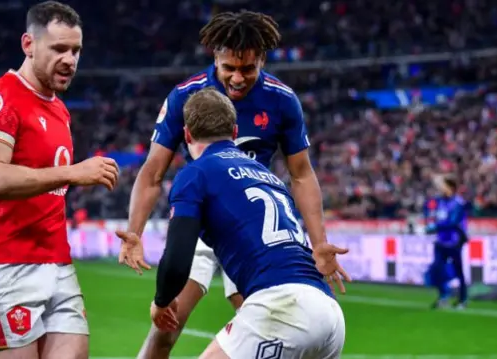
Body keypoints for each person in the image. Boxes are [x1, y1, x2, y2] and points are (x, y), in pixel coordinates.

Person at [116, 11, 348, 358]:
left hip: (249, 225)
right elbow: (152, 172)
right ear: (215, 58)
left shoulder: (282, 100)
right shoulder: (186, 96)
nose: (238, 78)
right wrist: (134, 231)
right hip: (202, 216)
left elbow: (301, 174)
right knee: (167, 323)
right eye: (229, 69)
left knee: (261, 317)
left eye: (248, 69)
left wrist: (319, 243)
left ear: (262, 61)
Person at [0, 2, 120, 358]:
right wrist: (73, 172)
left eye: (76, 50)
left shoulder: (58, 109)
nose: (70, 60)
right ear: (28, 44)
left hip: (57, 264)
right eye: (59, 48)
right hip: (3, 265)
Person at [151, 87, 347, 359]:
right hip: (329, 314)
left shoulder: (195, 174)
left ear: (186, 135)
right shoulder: (268, 177)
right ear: (234, 132)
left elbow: (177, 258)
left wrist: (161, 301)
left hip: (282, 307)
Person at [425, 175, 469, 310]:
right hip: (441, 241)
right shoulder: (439, 201)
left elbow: (453, 222)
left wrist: (435, 227)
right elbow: (434, 215)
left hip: (455, 241)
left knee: (458, 271)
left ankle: (462, 300)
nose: (440, 188)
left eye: (443, 186)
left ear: (450, 187)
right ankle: (443, 296)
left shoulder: (458, 203)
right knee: (437, 269)